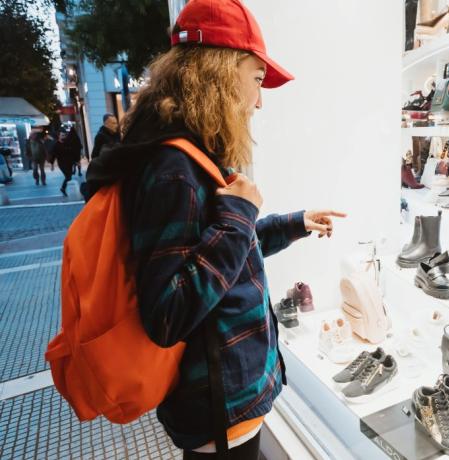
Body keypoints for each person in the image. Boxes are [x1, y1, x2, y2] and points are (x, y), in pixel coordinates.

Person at [85, 0, 345, 457]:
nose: (260, 100)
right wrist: (238, 214)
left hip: (223, 403)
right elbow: (167, 315)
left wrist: (290, 224)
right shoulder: (173, 169)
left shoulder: (186, 155)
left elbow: (220, 253)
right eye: (257, 79)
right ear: (219, 74)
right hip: (217, 412)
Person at [52, 128, 82, 196]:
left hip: (69, 162)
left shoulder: (67, 143)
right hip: (62, 164)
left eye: (65, 135)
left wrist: (76, 161)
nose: (64, 137)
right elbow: (54, 155)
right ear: (59, 136)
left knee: (69, 177)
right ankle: (63, 188)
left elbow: (72, 152)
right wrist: (52, 164)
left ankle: (63, 188)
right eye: (62, 135)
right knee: (68, 176)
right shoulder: (56, 145)